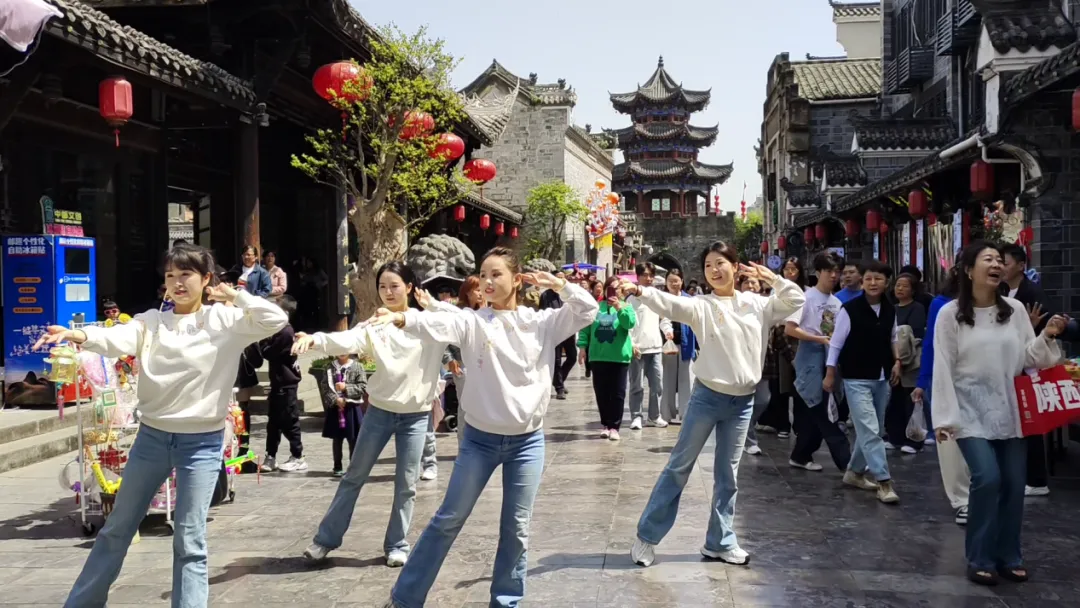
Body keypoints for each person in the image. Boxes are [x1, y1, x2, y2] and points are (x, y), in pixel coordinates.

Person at [35, 243, 287, 607]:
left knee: (190, 538)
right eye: (170, 276)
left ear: (206, 279)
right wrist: (79, 335)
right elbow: (115, 339)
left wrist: (235, 295)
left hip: (201, 443)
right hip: (152, 439)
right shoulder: (151, 322)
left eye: (186, 274)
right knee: (117, 528)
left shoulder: (225, 321)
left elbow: (274, 319)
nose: (177, 283)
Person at [375, 247, 598, 608]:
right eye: (483, 274)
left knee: (517, 527)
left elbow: (588, 310)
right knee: (448, 518)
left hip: (527, 443)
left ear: (517, 279)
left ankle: (506, 601)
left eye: (496, 274)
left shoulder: (542, 323)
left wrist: (560, 285)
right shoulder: (474, 322)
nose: (488, 282)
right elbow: (436, 324)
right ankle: (404, 598)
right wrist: (402, 318)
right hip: (479, 441)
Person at [625, 241, 804, 568]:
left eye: (720, 263)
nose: (714, 270)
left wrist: (774, 279)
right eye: (708, 265)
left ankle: (720, 542)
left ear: (735, 267)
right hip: (707, 398)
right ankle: (646, 537)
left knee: (728, 475)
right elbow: (669, 304)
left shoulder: (758, 304)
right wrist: (641, 291)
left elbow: (796, 300)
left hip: (743, 402)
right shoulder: (701, 306)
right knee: (679, 467)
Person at [293, 261, 445, 568]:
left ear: (410, 288)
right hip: (379, 412)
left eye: (395, 286)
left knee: (406, 484)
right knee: (354, 476)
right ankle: (325, 540)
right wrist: (315, 339)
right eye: (382, 287)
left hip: (416, 416)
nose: (388, 292)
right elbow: (345, 339)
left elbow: (458, 323)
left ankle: (397, 544)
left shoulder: (428, 324)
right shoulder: (373, 326)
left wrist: (435, 306)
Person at [932, 241, 1066, 586]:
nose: (996, 265)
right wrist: (944, 418)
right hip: (968, 409)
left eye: (999, 260)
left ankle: (1009, 555)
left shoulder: (1016, 310)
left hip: (1011, 408)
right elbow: (943, 366)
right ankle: (979, 557)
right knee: (987, 477)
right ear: (968, 270)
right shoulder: (950, 314)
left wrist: (1047, 336)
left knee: (1013, 484)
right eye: (988, 259)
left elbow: (1029, 358)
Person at [825, 261, 901, 503]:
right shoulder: (850, 309)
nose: (873, 283)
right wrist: (830, 373)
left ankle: (855, 472)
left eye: (878, 279)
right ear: (862, 281)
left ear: (886, 282)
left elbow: (893, 337)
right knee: (870, 429)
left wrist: (897, 361)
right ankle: (884, 481)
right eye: (868, 278)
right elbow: (836, 343)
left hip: (882, 377)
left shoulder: (890, 310)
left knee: (872, 428)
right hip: (856, 377)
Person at [914, 267, 970, 525]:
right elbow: (931, 343)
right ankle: (962, 499)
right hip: (949, 380)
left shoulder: (1004, 306)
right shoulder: (943, 306)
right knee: (952, 439)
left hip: (985, 385)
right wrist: (923, 381)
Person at [787, 252, 851, 473]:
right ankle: (847, 463)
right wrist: (819, 339)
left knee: (816, 412)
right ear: (818, 272)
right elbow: (790, 329)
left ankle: (800, 455)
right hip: (810, 356)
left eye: (837, 272)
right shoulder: (805, 298)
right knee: (823, 412)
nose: (833, 276)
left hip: (830, 356)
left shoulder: (837, 303)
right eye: (828, 271)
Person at [997, 243, 1051, 497]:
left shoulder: (1032, 293)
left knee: (1030, 424)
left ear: (1020, 266)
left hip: (1027, 369)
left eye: (1004, 263)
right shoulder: (1000, 291)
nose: (1000, 268)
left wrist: (1031, 326)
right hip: (1006, 366)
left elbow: (1045, 329)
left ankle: (1037, 480)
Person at [579, 276, 636, 439]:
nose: (613, 291)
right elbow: (585, 328)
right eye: (610, 288)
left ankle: (614, 427)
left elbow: (629, 323)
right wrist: (582, 347)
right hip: (598, 356)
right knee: (601, 392)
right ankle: (605, 424)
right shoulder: (596, 307)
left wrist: (619, 308)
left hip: (619, 357)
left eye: (616, 288)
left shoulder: (627, 307)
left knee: (618, 393)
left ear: (622, 291)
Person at [758, 257, 806, 439]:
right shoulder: (775, 293)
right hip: (781, 339)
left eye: (794, 269)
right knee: (781, 386)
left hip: (802, 339)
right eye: (787, 269)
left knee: (801, 386)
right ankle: (782, 424)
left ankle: (801, 426)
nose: (790, 272)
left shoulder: (806, 292)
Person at [259, 295, 306, 472]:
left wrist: (261, 340)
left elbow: (268, 352)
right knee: (274, 422)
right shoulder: (278, 330)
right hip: (278, 383)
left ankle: (298, 456)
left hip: (287, 384)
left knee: (290, 420)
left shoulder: (285, 332)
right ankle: (270, 455)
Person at [884, 273, 927, 454]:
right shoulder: (891, 308)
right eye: (898, 285)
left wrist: (901, 358)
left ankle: (914, 440)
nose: (900, 289)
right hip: (894, 360)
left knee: (910, 400)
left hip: (911, 361)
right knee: (895, 401)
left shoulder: (917, 308)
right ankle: (895, 437)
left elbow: (915, 335)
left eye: (904, 286)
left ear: (913, 290)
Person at [626, 262, 672, 429]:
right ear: (638, 277)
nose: (648, 278)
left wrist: (667, 330)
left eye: (651, 275)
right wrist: (631, 343)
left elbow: (664, 318)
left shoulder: (656, 297)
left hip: (656, 347)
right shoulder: (631, 300)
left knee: (657, 385)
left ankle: (654, 416)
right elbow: (627, 325)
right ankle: (636, 416)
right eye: (645, 275)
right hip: (637, 348)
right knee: (637, 385)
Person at [660, 268, 696, 425]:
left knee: (687, 379)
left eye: (676, 280)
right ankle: (666, 414)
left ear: (682, 281)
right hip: (667, 345)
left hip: (686, 343)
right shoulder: (662, 299)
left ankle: (685, 413)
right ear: (666, 283)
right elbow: (662, 319)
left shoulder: (690, 300)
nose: (674, 284)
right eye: (670, 281)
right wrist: (667, 331)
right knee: (667, 379)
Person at [322, 354, 366, 476]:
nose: (342, 352)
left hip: (352, 407)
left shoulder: (357, 366)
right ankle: (337, 466)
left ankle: (353, 466)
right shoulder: (329, 367)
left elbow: (362, 386)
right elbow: (325, 387)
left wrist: (346, 387)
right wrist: (336, 399)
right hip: (335, 407)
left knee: (353, 438)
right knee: (337, 438)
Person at [541, 271, 577, 400]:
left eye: (563, 278)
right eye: (558, 278)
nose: (560, 280)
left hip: (568, 330)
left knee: (572, 357)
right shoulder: (546, 295)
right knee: (556, 360)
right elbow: (543, 313)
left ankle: (559, 379)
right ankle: (559, 388)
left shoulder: (569, 294)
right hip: (554, 331)